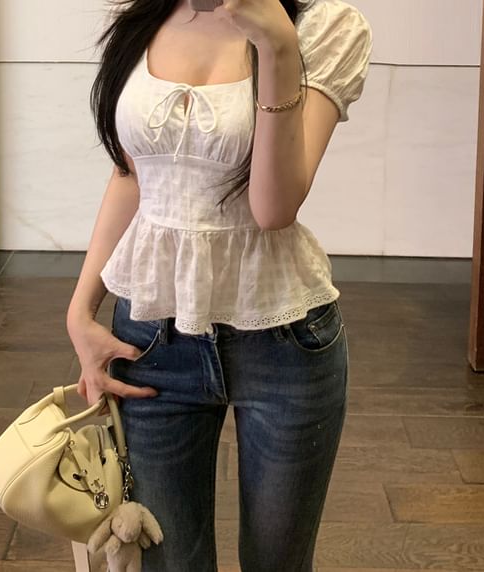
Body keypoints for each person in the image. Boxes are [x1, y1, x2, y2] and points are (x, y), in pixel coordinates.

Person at [66, 0, 372, 569]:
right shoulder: (145, 17)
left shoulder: (321, 26)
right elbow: (132, 175)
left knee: (277, 562)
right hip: (151, 339)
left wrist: (277, 47)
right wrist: (80, 311)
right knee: (168, 559)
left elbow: (272, 208)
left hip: (283, 338)